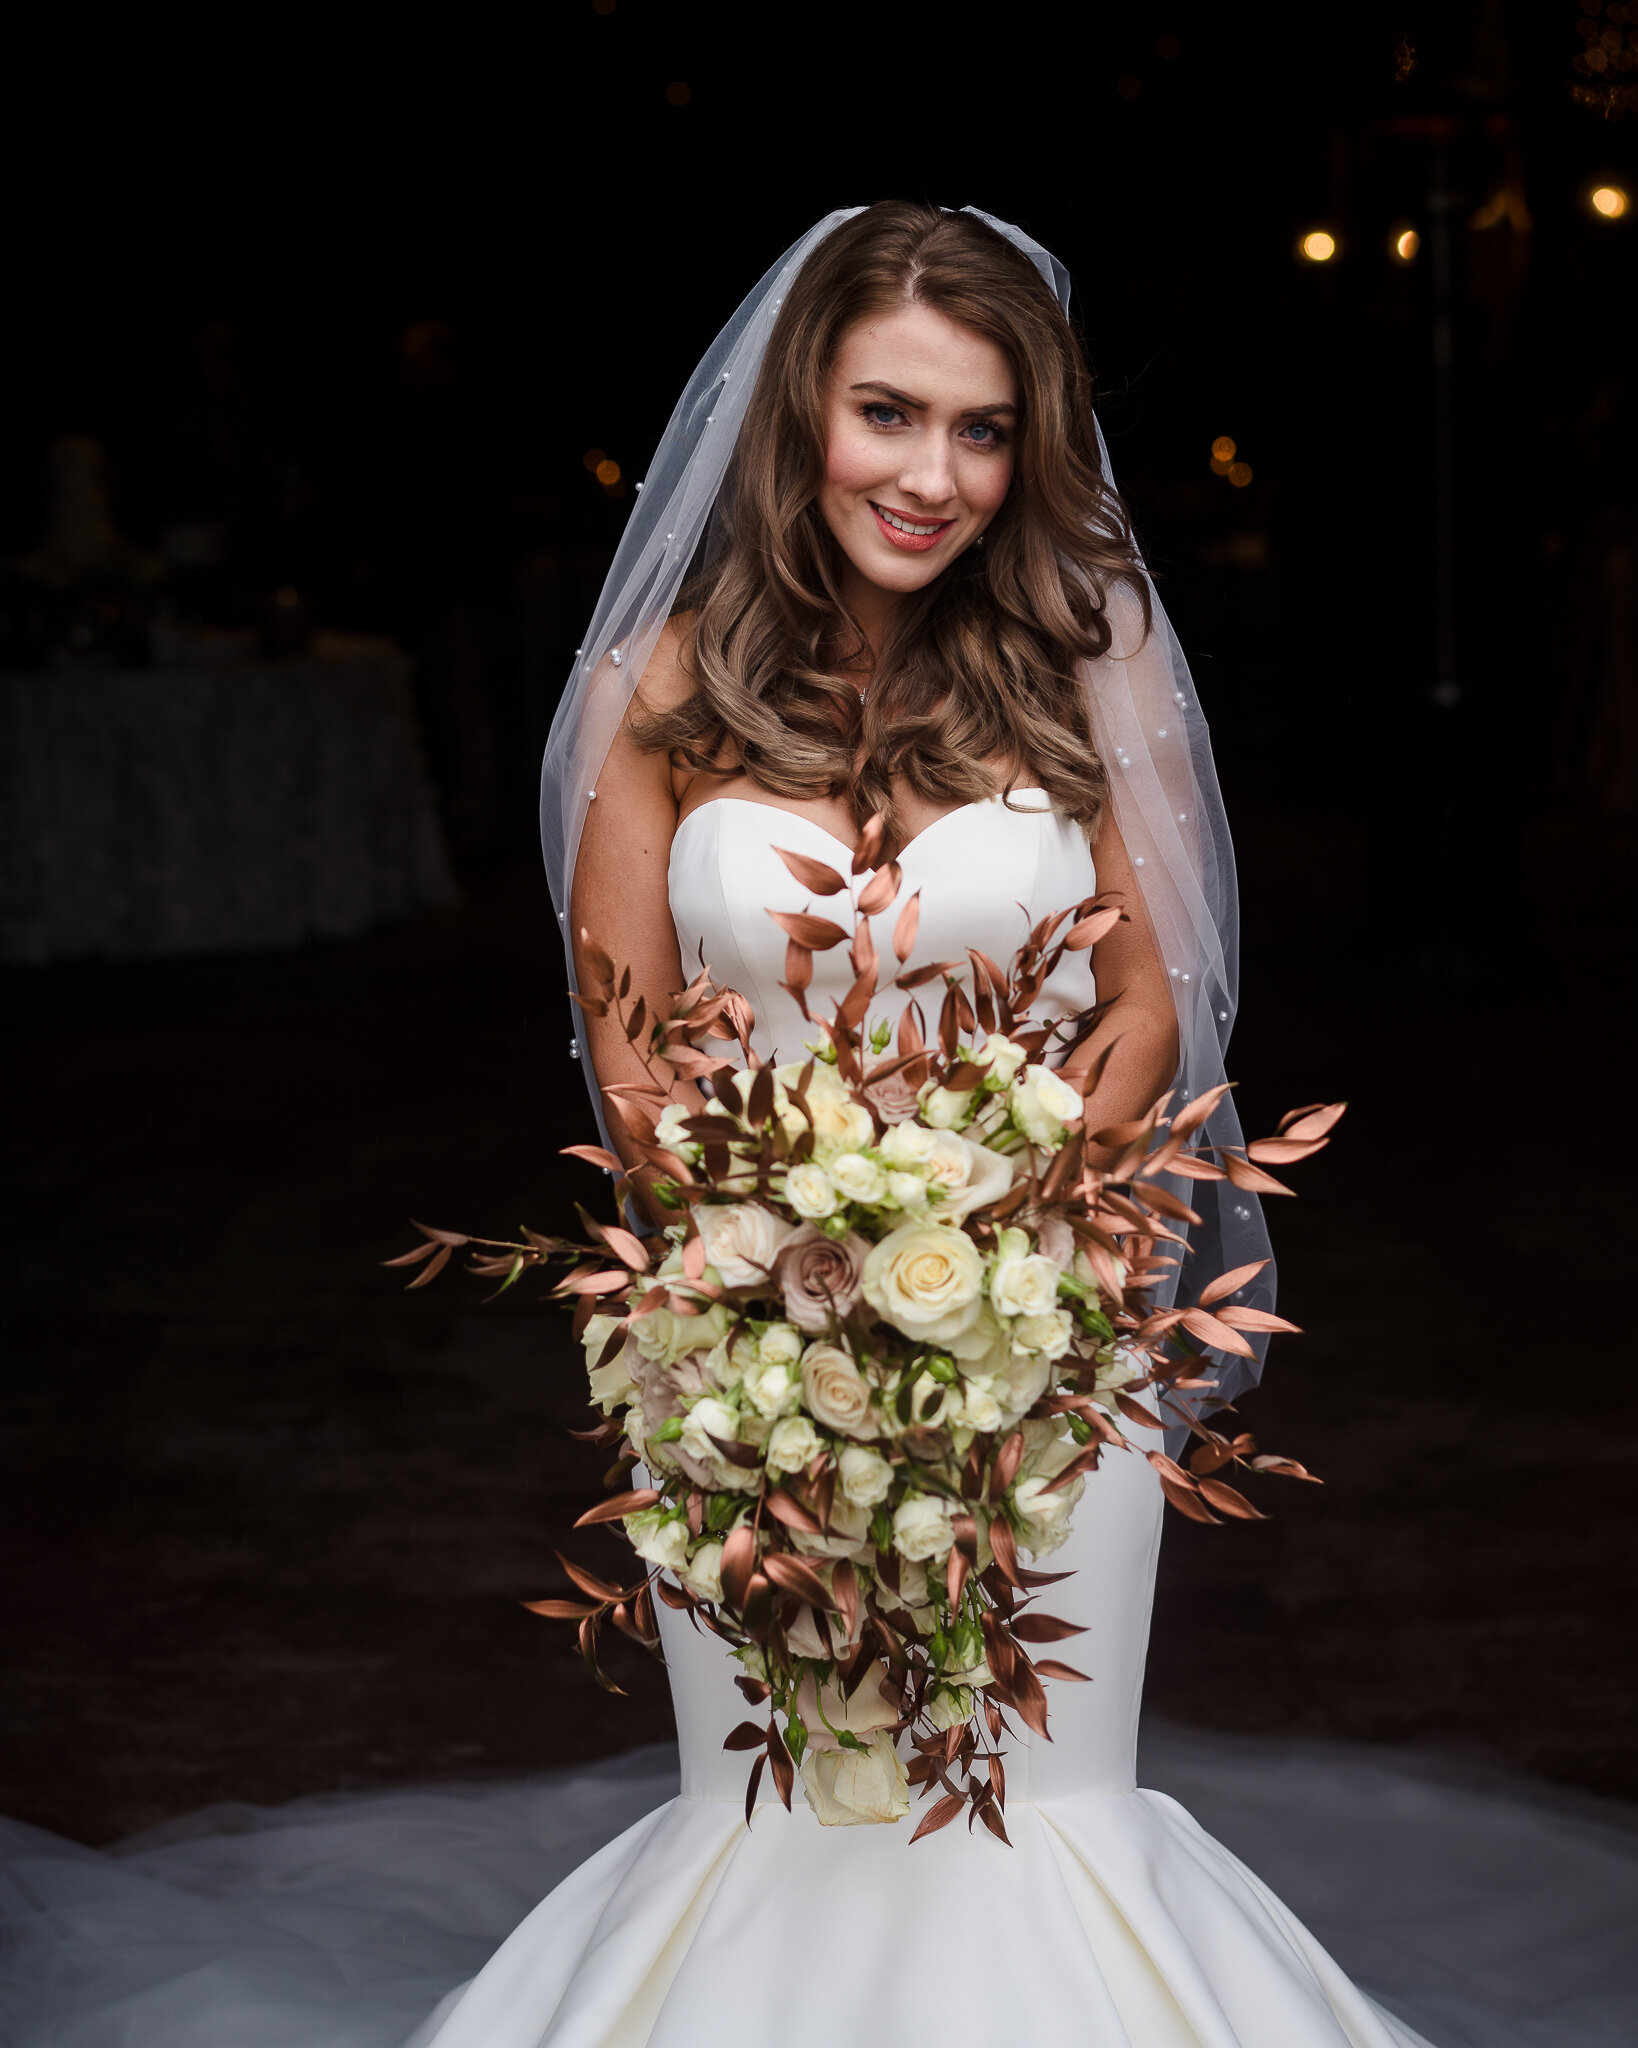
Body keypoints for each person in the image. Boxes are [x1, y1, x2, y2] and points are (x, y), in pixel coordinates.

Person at [408, 202, 1425, 2047]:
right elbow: (628, 1055)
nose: (932, 476)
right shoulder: (657, 688)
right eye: (888, 413)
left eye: (980, 431)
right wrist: (766, 1285)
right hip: (734, 1345)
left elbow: (1144, 1003)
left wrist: (1034, 1228)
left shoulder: (1083, 650)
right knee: (782, 1804)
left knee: (1033, 1801)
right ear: (802, 411)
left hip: (1054, 1327)